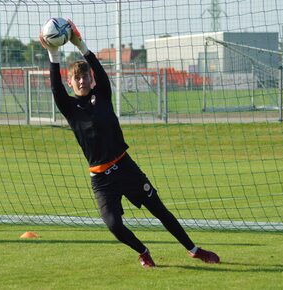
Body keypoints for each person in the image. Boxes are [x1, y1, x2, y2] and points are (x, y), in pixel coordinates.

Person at [39, 20, 220, 268]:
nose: (81, 81)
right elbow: (55, 87)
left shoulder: (102, 94)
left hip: (125, 167)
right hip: (101, 179)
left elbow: (99, 72)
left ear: (91, 80)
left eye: (85, 77)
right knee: (113, 225)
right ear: (70, 83)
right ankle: (143, 251)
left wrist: (80, 44)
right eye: (76, 78)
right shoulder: (69, 108)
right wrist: (53, 52)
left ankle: (194, 249)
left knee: (160, 210)